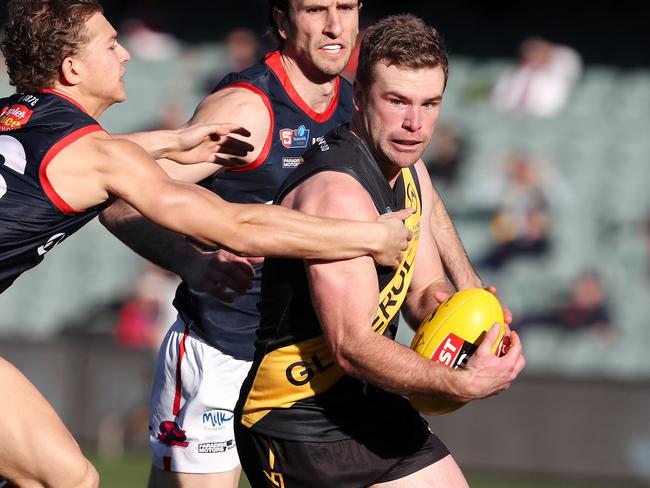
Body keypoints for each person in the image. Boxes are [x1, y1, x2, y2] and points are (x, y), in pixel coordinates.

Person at [0, 1, 412, 486]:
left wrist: (172, 141)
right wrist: (368, 237)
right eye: (111, 44)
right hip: (220, 347)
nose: (127, 54)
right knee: (66, 481)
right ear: (72, 69)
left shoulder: (17, 114)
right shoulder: (99, 155)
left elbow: (77, 155)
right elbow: (235, 227)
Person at [100, 1, 483, 486]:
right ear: (282, 21)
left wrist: (471, 289)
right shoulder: (250, 109)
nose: (334, 25)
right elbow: (118, 195)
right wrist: (189, 262)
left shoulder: (367, 102)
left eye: (346, 7)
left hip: (315, 374)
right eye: (316, 9)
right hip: (226, 353)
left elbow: (421, 190)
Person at [234, 15, 526, 487]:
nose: (415, 123)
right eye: (397, 101)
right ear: (359, 97)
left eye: (430, 104)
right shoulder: (340, 196)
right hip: (297, 420)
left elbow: (424, 291)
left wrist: (470, 325)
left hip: (366, 403)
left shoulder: (410, 173)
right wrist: (459, 382)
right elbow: (351, 346)